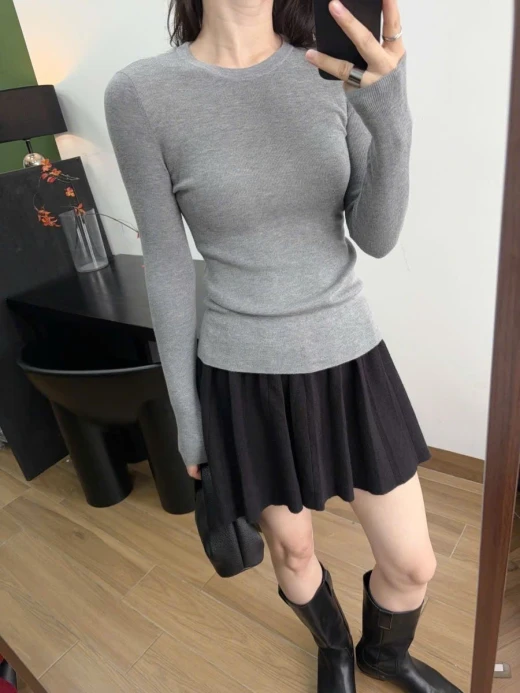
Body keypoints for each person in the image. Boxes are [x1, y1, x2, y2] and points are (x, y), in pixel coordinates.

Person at [104, 1, 462, 691]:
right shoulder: (141, 94)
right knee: (293, 553)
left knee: (413, 561)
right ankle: (334, 647)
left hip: (350, 361)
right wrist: (188, 420)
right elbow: (168, 267)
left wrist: (391, 113)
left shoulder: (331, 69)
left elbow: (378, 236)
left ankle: (385, 654)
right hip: (243, 374)